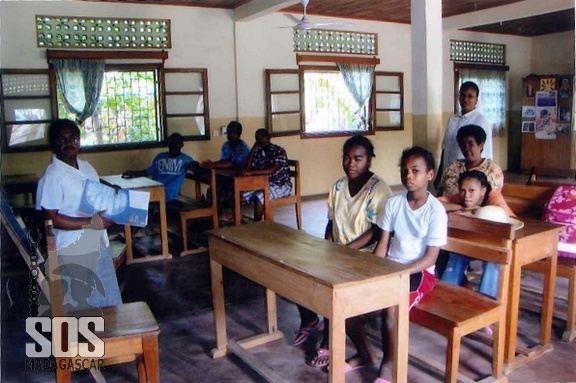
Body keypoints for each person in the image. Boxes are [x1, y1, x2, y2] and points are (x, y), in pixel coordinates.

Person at [344, 146, 447, 383]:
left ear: (430, 174)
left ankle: (389, 365)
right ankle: (364, 353)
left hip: (419, 273)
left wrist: (400, 272)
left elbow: (431, 258)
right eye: (405, 170)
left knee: (392, 307)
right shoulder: (394, 203)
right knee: (346, 299)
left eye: (415, 171)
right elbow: (383, 245)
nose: (408, 176)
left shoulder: (436, 212)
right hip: (391, 267)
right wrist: (374, 270)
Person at [294, 135, 393, 368]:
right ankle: (310, 320)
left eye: (358, 158)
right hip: (339, 251)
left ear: (369, 160)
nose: (351, 163)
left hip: (365, 256)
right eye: (347, 158)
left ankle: (330, 341)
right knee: (297, 268)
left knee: (332, 287)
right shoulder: (338, 186)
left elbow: (377, 232)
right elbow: (332, 222)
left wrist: (343, 252)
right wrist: (326, 246)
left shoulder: (378, 190)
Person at [36, 118, 122, 310]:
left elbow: (96, 195)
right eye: (62, 140)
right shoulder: (52, 176)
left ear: (79, 140)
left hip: (98, 243)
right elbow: (51, 218)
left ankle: (114, 340)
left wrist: (111, 192)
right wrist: (90, 222)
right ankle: (86, 340)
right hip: (73, 249)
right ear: (53, 145)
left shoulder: (86, 167)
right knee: (85, 308)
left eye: (73, 138)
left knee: (110, 305)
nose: (69, 144)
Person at [438, 170, 517, 299]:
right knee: (456, 253)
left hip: (496, 243)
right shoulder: (462, 197)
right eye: (462, 190)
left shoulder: (493, 196)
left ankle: (486, 302)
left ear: (483, 190)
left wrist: (478, 211)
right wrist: (461, 208)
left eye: (471, 191)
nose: (466, 195)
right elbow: (434, 203)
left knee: (494, 259)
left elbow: (505, 217)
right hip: (471, 241)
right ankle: (445, 297)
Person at [437, 81, 493, 186]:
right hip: (448, 171)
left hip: (467, 173)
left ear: (476, 100)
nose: (465, 99)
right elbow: (445, 148)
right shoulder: (452, 120)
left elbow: (485, 153)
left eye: (470, 96)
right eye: (462, 95)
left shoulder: (481, 121)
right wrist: (440, 173)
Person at [123, 133, 198, 202]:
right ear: (168, 144)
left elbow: (195, 167)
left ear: (182, 145)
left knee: (139, 200)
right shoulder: (160, 157)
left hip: (169, 193)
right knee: (130, 196)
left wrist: (195, 164)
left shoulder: (185, 159)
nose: (174, 145)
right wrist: (133, 173)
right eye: (172, 143)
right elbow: (147, 172)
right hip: (155, 189)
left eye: (177, 143)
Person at [437, 124, 503, 197]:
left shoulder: (493, 170)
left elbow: (491, 199)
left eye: (470, 144)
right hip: (446, 206)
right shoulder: (452, 166)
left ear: (481, 145)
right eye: (463, 144)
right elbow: (440, 191)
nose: (466, 148)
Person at [241, 128, 292, 221]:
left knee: (259, 197)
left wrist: (252, 172)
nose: (260, 140)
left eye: (263, 137)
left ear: (269, 137)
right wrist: (252, 152)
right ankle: (236, 221)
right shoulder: (259, 152)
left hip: (281, 184)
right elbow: (248, 169)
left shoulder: (279, 151)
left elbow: (272, 169)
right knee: (242, 195)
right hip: (264, 183)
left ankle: (257, 227)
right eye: (257, 138)